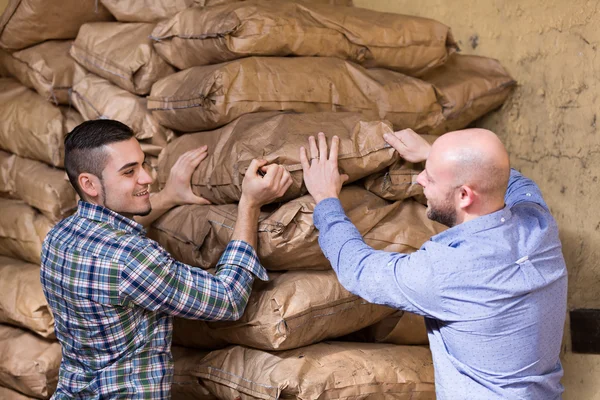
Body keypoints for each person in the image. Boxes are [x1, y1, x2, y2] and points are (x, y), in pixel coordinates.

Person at [299, 128, 567, 399]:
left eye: (431, 176)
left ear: (464, 195)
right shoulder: (538, 223)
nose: (419, 179)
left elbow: (359, 270)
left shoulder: (447, 271)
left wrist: (326, 199)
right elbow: (509, 179)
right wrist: (436, 155)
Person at [40, 119, 292, 399]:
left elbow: (112, 228)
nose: (147, 178)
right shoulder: (131, 258)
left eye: (143, 164)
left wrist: (170, 195)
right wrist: (250, 204)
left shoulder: (58, 237)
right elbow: (228, 300)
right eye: (129, 172)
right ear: (89, 184)